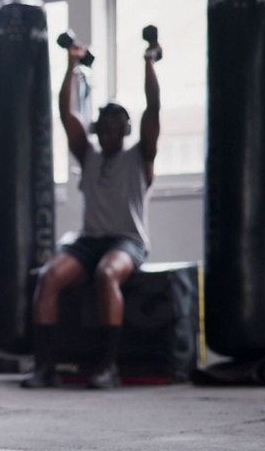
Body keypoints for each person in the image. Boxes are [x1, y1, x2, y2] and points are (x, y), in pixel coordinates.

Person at [22, 34, 161, 390]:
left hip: (126, 242)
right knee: (48, 278)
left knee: (105, 274)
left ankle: (106, 367)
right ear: (98, 128)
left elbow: (154, 109)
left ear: (127, 128)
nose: (112, 128)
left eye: (119, 123)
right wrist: (72, 64)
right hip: (88, 240)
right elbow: (65, 113)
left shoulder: (140, 156)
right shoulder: (89, 154)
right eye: (106, 123)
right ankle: (46, 367)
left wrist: (148, 62)